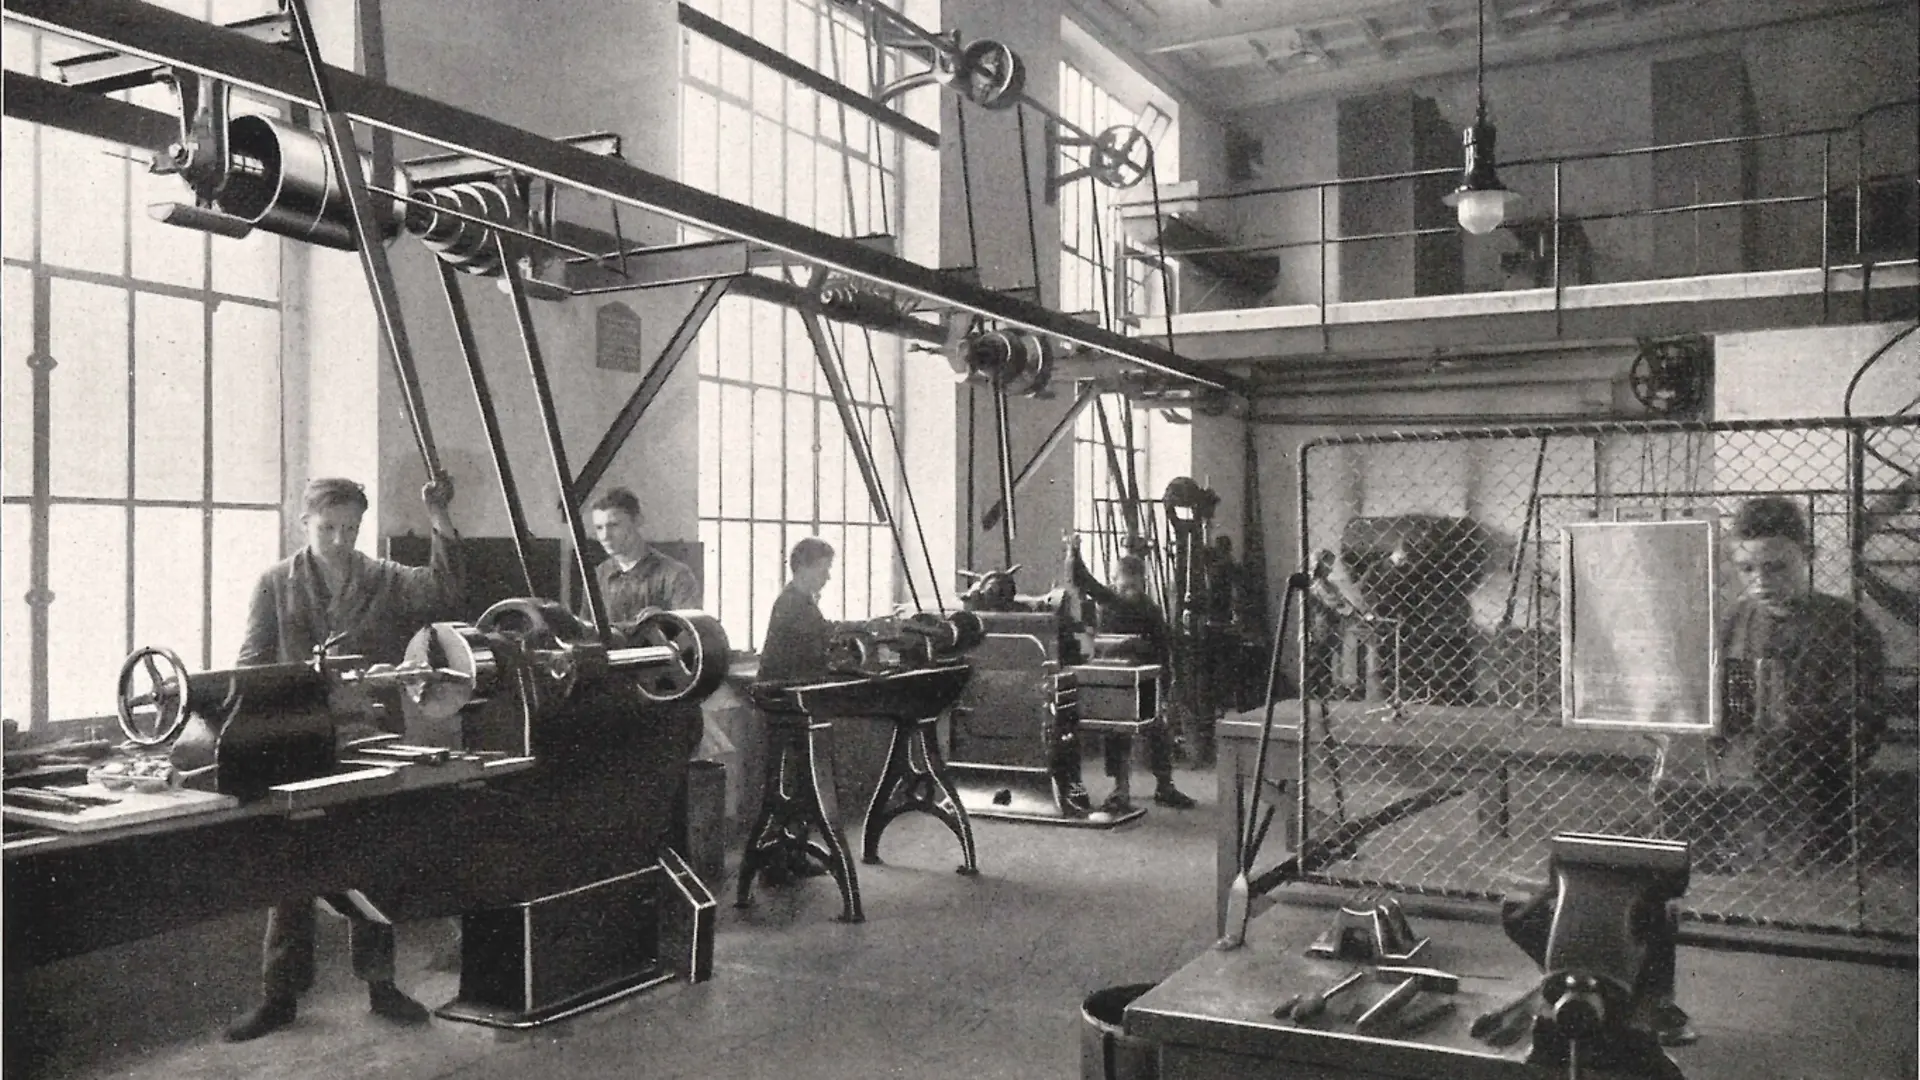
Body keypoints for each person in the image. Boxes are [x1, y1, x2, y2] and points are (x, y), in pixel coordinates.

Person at [224, 475, 465, 1042]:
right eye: (327, 528)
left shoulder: (382, 577)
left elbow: (447, 594)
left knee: (372, 860)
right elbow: (251, 663)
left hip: (370, 738)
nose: (339, 539)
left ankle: (381, 985)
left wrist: (439, 518)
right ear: (303, 525)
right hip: (298, 743)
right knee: (292, 869)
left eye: (350, 529)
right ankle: (279, 996)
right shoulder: (275, 583)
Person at [1719, 496, 1887, 862]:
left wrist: (1787, 720)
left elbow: (1867, 717)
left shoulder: (1845, 624)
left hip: (1820, 786)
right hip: (1741, 783)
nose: (1762, 581)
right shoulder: (1736, 621)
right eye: (1748, 569)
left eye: (1777, 567)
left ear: (1808, 555)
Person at [1071, 547, 1197, 813]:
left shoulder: (1150, 610)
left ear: (1143, 582)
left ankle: (1165, 786)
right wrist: (1074, 554)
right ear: (1115, 581)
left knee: (1157, 730)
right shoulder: (1108, 600)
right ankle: (1121, 788)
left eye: (1135, 584)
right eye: (1124, 583)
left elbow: (1163, 648)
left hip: (1146, 677)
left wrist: (1166, 681)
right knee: (1116, 734)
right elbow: (1085, 581)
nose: (1130, 590)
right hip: (1117, 678)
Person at [588, 487, 700, 635]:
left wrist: (664, 623)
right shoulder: (598, 575)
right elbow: (587, 633)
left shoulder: (676, 575)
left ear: (638, 521)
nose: (605, 536)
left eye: (614, 525)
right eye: (599, 528)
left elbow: (692, 636)